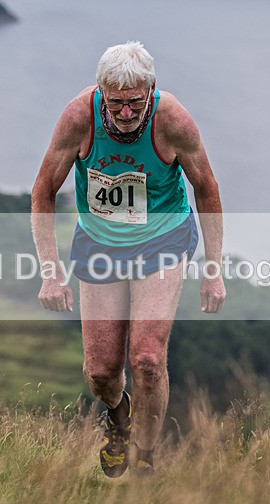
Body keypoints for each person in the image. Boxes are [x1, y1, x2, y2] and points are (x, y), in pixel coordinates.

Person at [31, 41, 225, 477]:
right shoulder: (79, 118)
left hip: (162, 242)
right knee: (101, 371)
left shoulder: (172, 120)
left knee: (148, 359)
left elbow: (207, 188)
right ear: (100, 91)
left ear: (151, 90)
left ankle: (145, 456)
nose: (124, 112)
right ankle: (120, 414)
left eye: (135, 102)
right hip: (100, 245)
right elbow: (42, 191)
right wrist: (50, 272)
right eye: (115, 102)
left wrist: (213, 269)